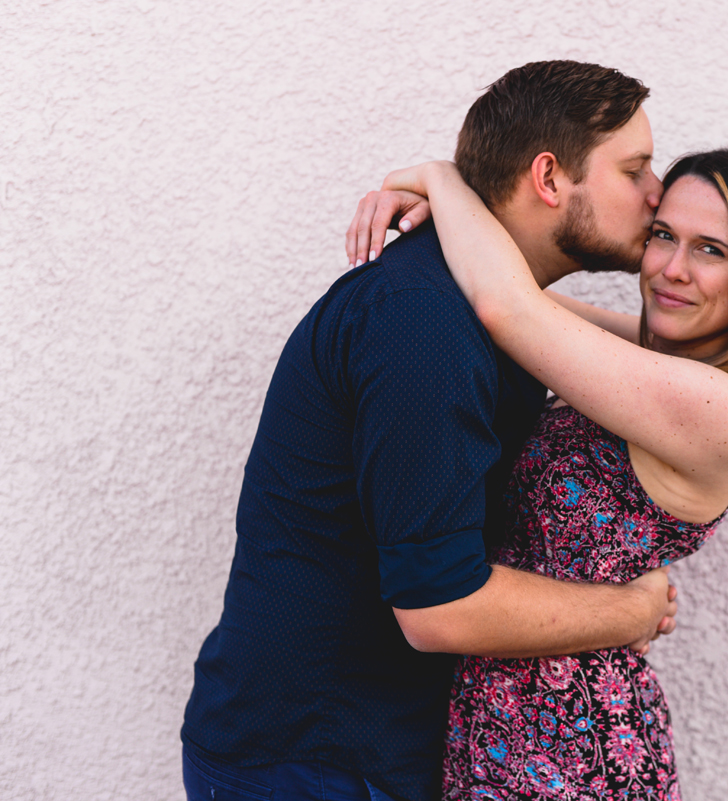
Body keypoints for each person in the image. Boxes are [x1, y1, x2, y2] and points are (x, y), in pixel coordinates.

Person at [180, 61, 681, 801]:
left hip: (351, 754)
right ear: (549, 178)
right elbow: (437, 606)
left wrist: (446, 184)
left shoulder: (478, 305)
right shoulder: (424, 325)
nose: (655, 192)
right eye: (635, 168)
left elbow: (650, 354)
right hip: (310, 764)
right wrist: (632, 610)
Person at [344, 148, 728, 799]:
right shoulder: (651, 360)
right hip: (506, 734)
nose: (672, 269)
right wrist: (445, 230)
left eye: (711, 250)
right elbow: (519, 300)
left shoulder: (724, 410)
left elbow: (510, 309)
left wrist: (441, 177)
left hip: (577, 758)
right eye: (663, 236)